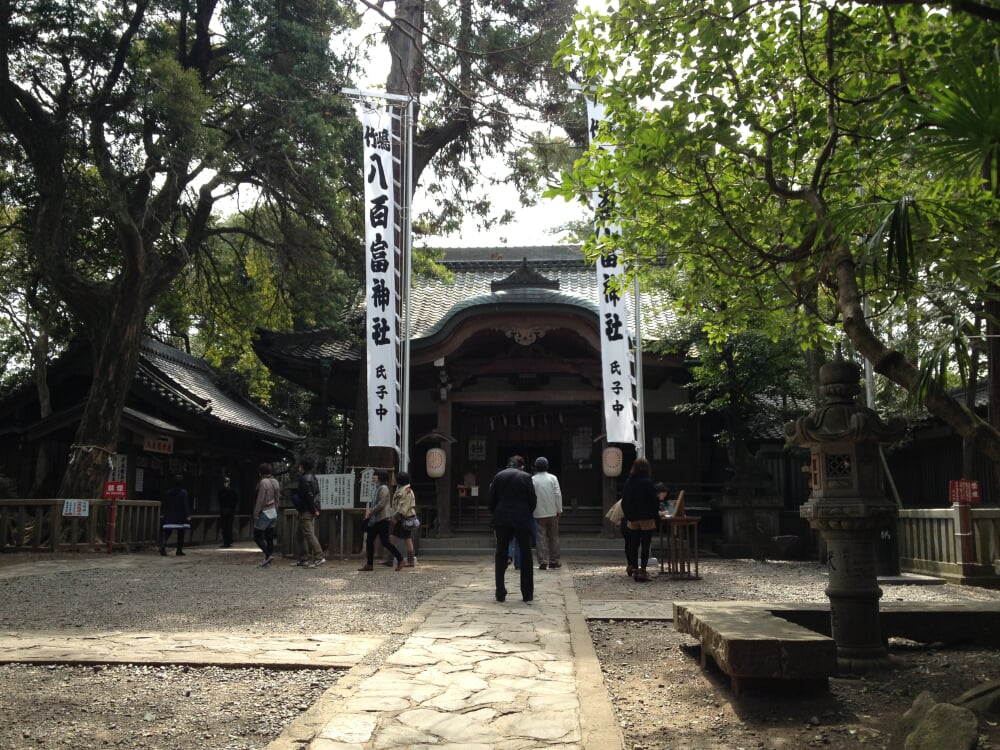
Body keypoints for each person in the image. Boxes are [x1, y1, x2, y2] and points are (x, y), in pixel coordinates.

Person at [488, 455, 536, 603]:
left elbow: (491, 500)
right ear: (521, 466)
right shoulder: (526, 477)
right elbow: (532, 500)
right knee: (526, 555)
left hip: (502, 518)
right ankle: (527, 593)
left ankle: (500, 591)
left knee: (501, 554)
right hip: (522, 518)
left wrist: (496, 513)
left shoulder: (498, 476)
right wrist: (527, 512)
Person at [622, 457, 659, 582]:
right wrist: (655, 514)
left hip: (632, 517)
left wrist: (628, 514)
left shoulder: (629, 482)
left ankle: (633, 567)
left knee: (633, 543)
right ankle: (642, 570)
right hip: (646, 517)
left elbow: (624, 500)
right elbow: (655, 500)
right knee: (645, 543)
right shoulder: (648, 482)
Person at [359, 469, 404, 572]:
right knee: (370, 540)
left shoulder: (383, 488)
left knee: (385, 542)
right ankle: (369, 564)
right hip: (376, 519)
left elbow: (381, 504)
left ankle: (400, 559)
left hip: (383, 518)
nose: (374, 477)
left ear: (380, 477)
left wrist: (371, 512)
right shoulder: (377, 488)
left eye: (376, 475)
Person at [291, 457, 325, 568]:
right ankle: (303, 558)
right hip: (309, 509)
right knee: (300, 534)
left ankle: (319, 556)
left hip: (306, 509)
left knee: (309, 534)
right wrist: (316, 509)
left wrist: (314, 510)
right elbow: (316, 495)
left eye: (300, 465)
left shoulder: (304, 478)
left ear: (303, 466)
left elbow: (308, 496)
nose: (299, 468)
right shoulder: (313, 478)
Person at [532, 456, 563, 570]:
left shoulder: (533, 479)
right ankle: (554, 560)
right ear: (547, 466)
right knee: (554, 537)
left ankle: (543, 561)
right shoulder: (553, 478)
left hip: (539, 512)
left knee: (541, 538)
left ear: (536, 467)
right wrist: (559, 509)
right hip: (552, 512)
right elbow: (557, 494)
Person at [252, 462, 281, 568]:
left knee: (257, 536)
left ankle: (268, 555)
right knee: (269, 537)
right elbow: (278, 499)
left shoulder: (263, 482)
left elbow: (260, 499)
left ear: (261, 473)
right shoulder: (275, 482)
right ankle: (268, 561)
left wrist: (256, 513)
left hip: (265, 511)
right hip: (273, 511)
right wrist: (276, 510)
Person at [390, 471, 418, 568]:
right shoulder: (402, 490)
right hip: (402, 516)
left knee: (401, 538)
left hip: (403, 517)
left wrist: (396, 516)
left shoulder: (407, 491)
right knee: (405, 538)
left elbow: (403, 507)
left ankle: (395, 558)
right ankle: (405, 559)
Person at [159, 475, 192, 557]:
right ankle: (179, 550)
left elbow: (165, 503)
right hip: (180, 515)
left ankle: (162, 546)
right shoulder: (183, 493)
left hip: (169, 514)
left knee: (167, 532)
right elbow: (185, 504)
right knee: (181, 533)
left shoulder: (168, 492)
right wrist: (187, 515)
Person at [217, 476, 239, 548]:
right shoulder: (231, 490)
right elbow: (236, 500)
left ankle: (227, 542)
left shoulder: (223, 490)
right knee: (227, 527)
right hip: (229, 510)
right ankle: (228, 541)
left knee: (226, 527)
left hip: (226, 510)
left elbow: (220, 499)